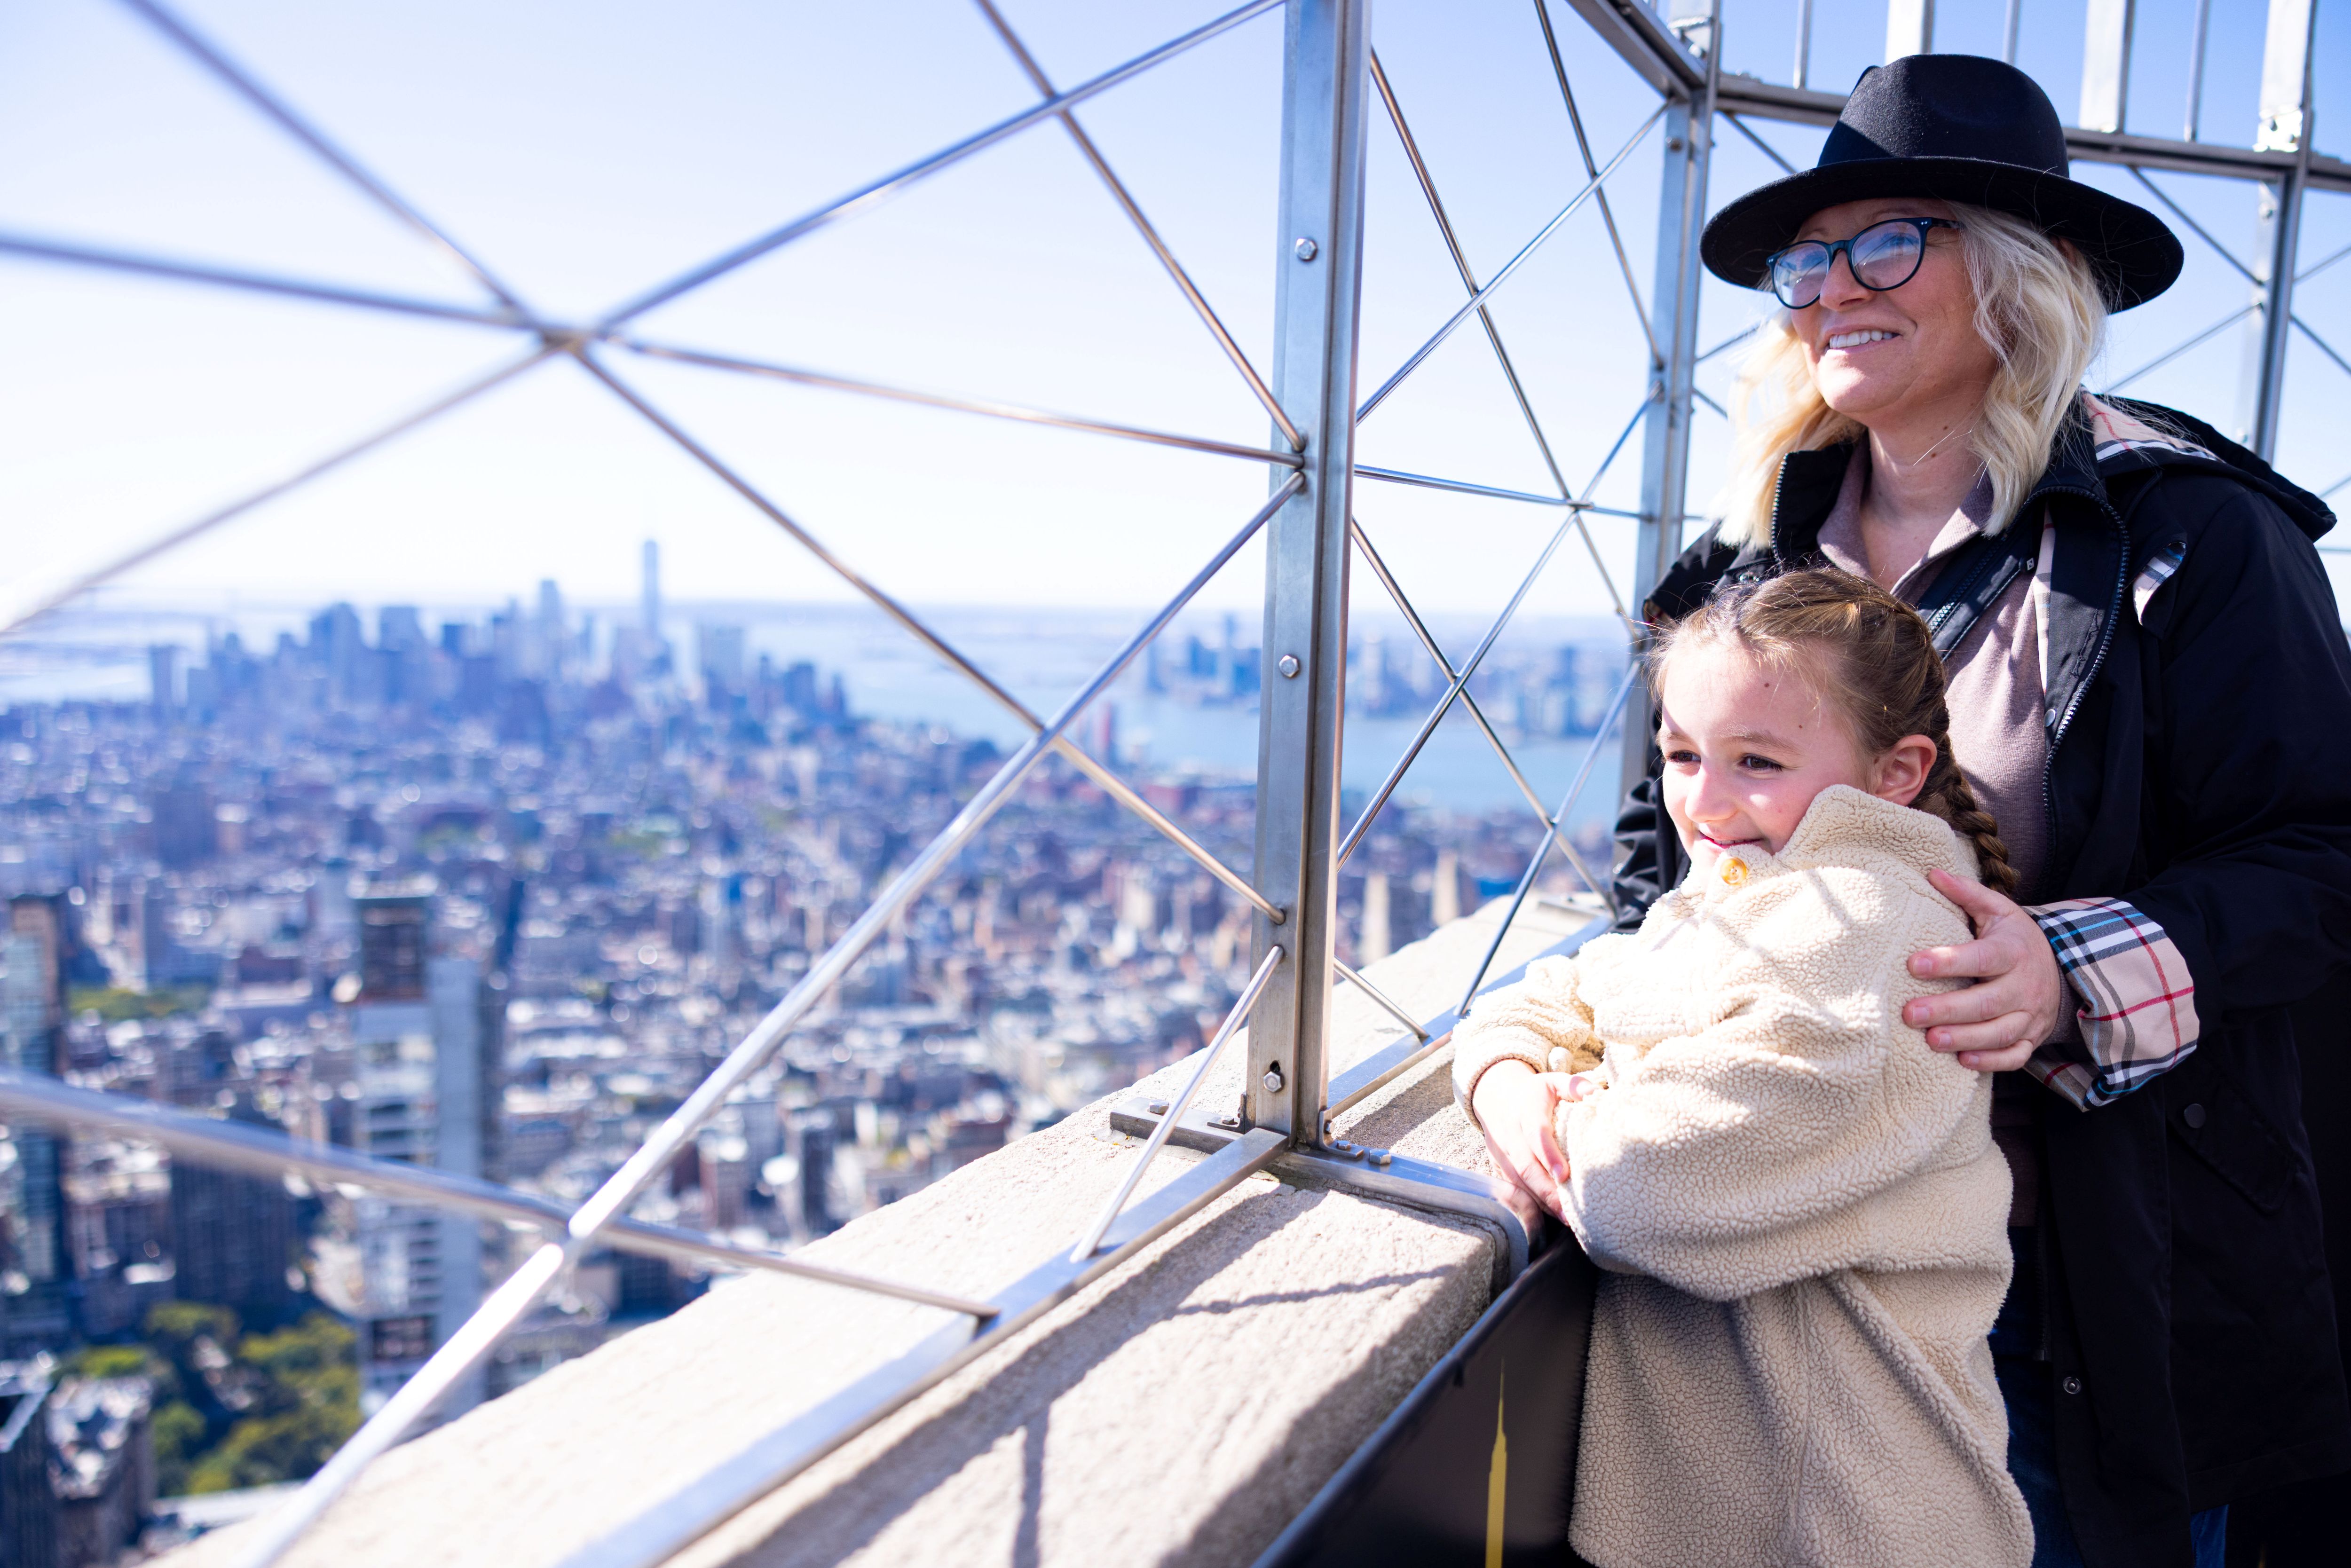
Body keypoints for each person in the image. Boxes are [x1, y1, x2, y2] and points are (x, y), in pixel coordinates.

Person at [1510, 51, 2345, 1568]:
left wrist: (2073, 968)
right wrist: (1539, 1065)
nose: (1832, 287)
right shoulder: (1746, 578)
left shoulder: (2194, 540)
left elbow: (2328, 856)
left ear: (2029, 273)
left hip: (2094, 1279)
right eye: (1807, 258)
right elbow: (1664, 879)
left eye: (1889, 239)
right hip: (1789, 1248)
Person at [1459, 570, 2032, 1567]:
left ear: (1895, 772)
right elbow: (1531, 1004)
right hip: (1778, 1508)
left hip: (1837, 1521)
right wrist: (1515, 1089)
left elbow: (1640, 1187)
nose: (1703, 802)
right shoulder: (1747, 896)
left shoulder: (1866, 933)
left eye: (1756, 762)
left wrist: (1590, 1108)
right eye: (1681, 755)